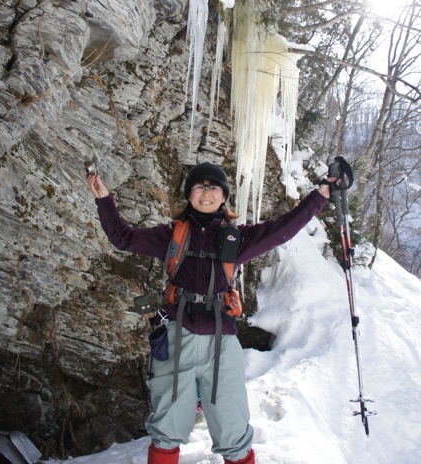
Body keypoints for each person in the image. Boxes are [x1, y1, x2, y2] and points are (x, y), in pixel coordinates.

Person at [87, 161, 333, 464]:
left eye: (213, 186)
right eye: (199, 186)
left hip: (222, 338)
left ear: (224, 196)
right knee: (167, 424)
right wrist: (104, 200)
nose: (206, 192)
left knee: (232, 426)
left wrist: (320, 194)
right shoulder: (171, 235)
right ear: (189, 193)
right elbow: (123, 237)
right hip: (178, 332)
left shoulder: (236, 238)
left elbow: (282, 229)